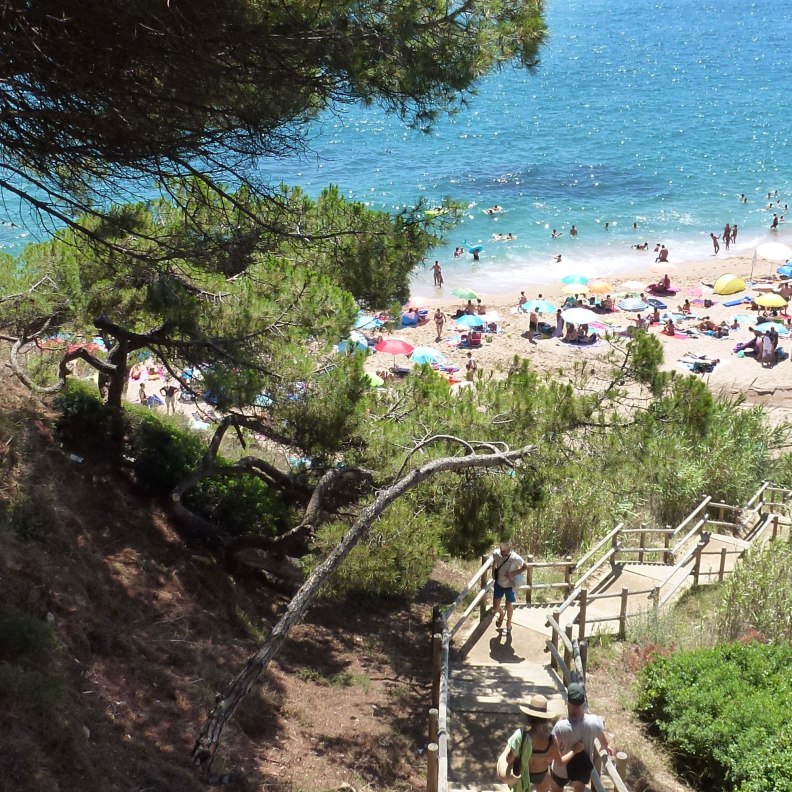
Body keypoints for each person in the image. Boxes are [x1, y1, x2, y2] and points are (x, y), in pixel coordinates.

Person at [549, 682, 614, 792]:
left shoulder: (560, 727)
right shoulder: (594, 722)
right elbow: (604, 743)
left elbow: (554, 755)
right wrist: (606, 747)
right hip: (581, 768)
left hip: (560, 770)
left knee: (556, 789)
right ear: (584, 701)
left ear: (567, 702)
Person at [501, 694, 560, 792]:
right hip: (542, 774)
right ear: (545, 718)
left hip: (523, 774)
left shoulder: (521, 736)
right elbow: (554, 760)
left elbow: (509, 759)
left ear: (529, 717)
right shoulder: (552, 739)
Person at [492, 541, 528, 634]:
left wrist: (513, 573)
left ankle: (508, 625)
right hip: (499, 584)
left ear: (509, 549)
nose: (503, 553)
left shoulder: (515, 558)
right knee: (495, 608)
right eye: (501, 551)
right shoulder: (496, 554)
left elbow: (525, 567)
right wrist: (494, 571)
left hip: (510, 585)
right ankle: (501, 614)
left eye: (504, 551)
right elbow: (495, 560)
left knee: (509, 605)